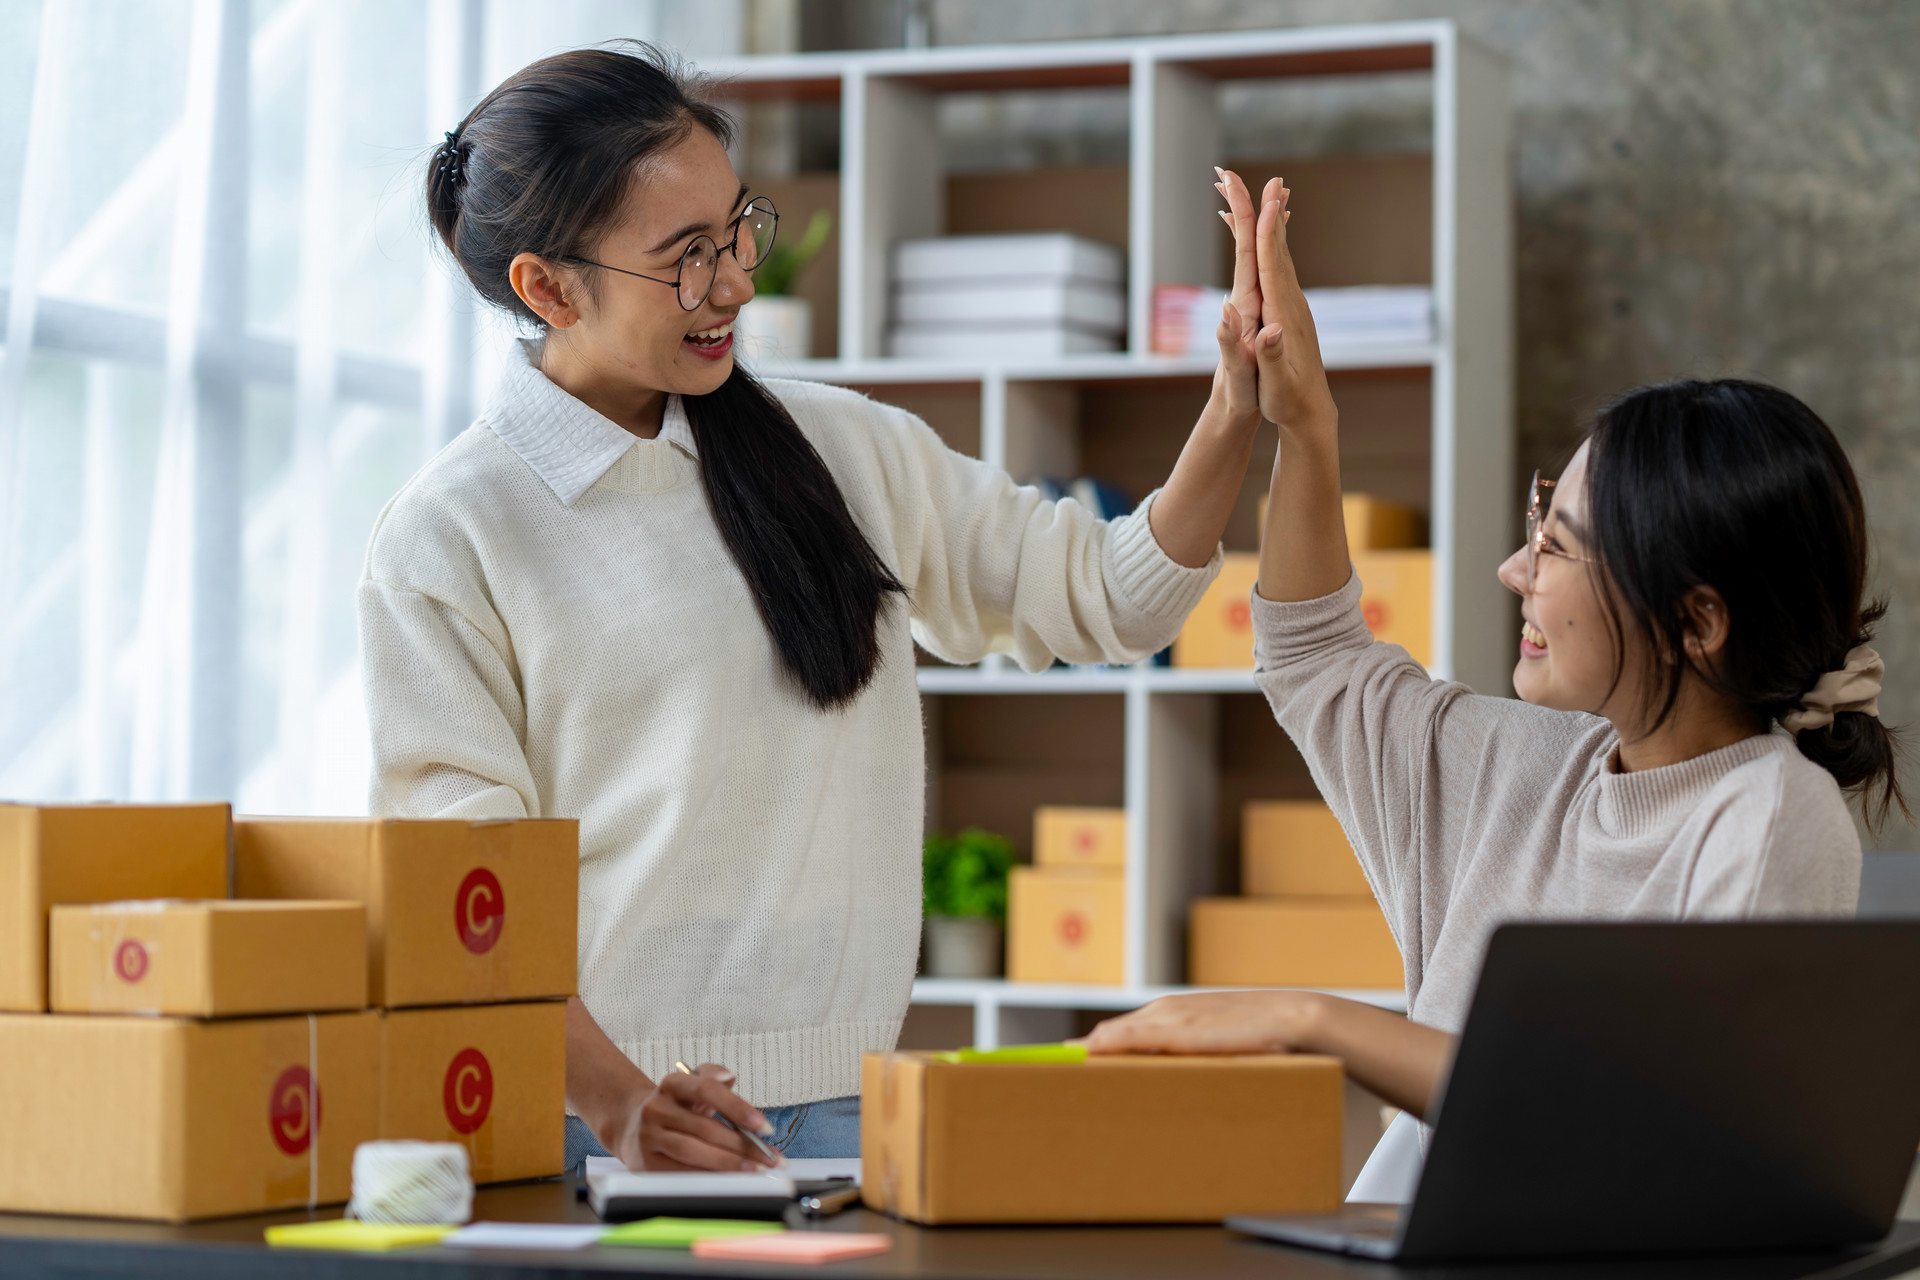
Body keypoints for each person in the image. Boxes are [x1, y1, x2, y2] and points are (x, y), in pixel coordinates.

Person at [360, 44, 1272, 1173]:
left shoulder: (849, 447)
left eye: (740, 228)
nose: (737, 282)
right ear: (548, 287)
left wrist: (1233, 407)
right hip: (584, 1124)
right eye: (687, 259)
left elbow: (1103, 599)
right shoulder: (450, 533)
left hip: (849, 1113)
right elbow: (467, 889)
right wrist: (621, 1101)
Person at [1087, 169, 1902, 1200]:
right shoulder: (1521, 765)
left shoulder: (1771, 815)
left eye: (1558, 550)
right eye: (1535, 529)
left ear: (1697, 620)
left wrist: (1316, 1019)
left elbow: (1663, 1124)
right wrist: (1305, 423)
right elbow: (1316, 659)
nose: (1516, 572)